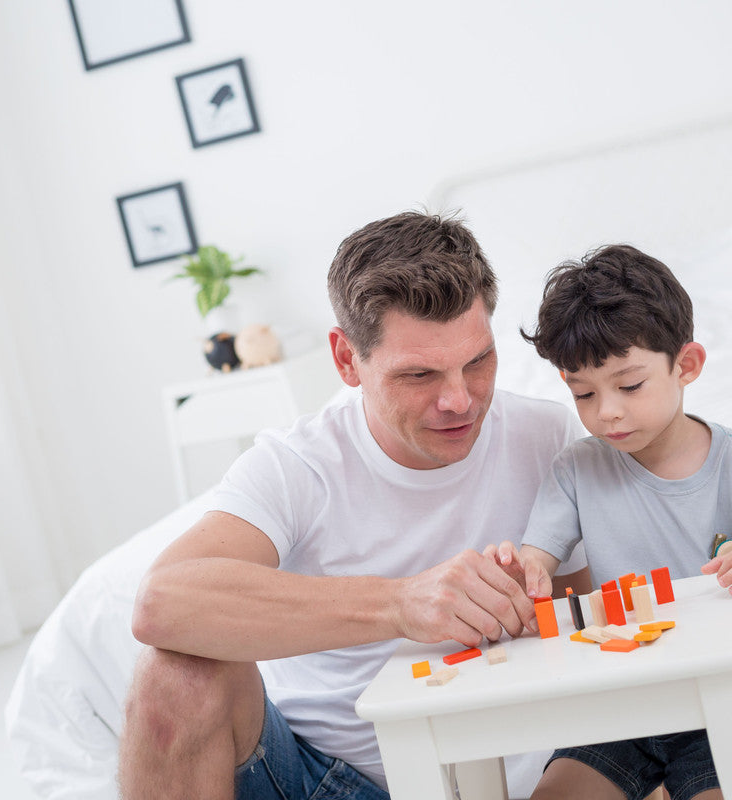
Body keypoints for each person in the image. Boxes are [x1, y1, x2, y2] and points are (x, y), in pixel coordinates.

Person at [118, 211, 587, 799]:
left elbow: (596, 625)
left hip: (522, 780)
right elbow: (161, 602)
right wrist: (398, 603)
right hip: (329, 782)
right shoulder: (298, 464)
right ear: (346, 360)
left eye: (477, 362)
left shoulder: (547, 437)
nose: (460, 400)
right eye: (418, 374)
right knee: (174, 674)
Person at [495, 244, 732, 800]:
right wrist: (527, 572)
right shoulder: (577, 469)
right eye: (583, 393)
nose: (606, 410)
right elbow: (541, 556)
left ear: (686, 365)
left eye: (629, 386)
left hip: (726, 705)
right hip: (619, 709)